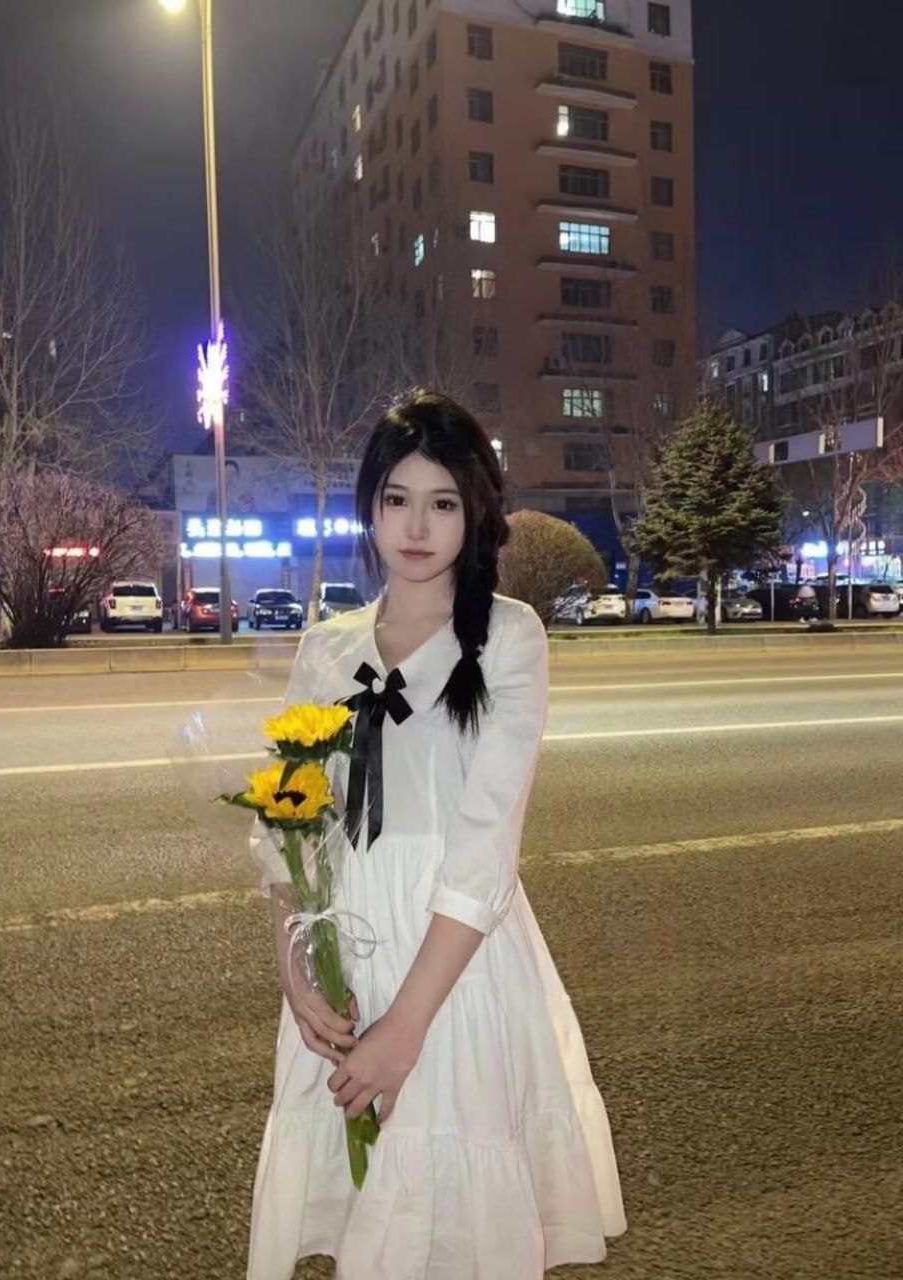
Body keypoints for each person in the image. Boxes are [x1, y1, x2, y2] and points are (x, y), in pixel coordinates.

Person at [246, 390, 626, 1279]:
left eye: (443, 502)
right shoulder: (327, 647)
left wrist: (407, 1027)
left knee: (452, 1217)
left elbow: (488, 846)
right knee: (369, 1217)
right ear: (370, 508)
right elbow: (288, 822)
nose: (417, 527)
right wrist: (293, 966)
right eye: (397, 500)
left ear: (475, 511)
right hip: (346, 952)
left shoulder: (507, 638)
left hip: (452, 964)